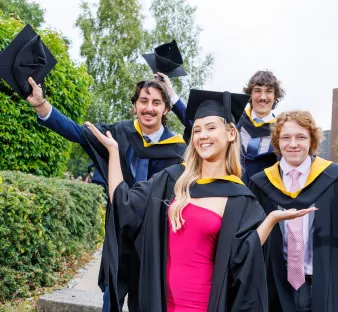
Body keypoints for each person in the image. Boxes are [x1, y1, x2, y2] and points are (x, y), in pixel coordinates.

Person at [86, 90, 315, 311]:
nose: (202, 135)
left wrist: (271, 220)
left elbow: (243, 257)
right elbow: (123, 205)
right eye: (196, 130)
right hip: (160, 303)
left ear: (231, 134)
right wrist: (114, 153)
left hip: (204, 305)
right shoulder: (172, 180)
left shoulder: (240, 197)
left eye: (211, 128)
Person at [26, 77, 187, 310]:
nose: (149, 108)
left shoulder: (179, 150)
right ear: (134, 106)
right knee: (111, 298)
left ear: (165, 109)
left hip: (155, 236)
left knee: (149, 300)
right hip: (119, 232)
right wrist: (42, 106)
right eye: (143, 101)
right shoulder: (119, 134)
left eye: (156, 102)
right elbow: (78, 133)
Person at [250, 110, 338, 312]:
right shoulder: (262, 184)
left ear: (312, 140)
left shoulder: (337, 178)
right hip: (276, 288)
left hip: (328, 286)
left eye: (301, 137)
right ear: (277, 141)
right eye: (286, 137)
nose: (293, 143)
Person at [237, 70, 285, 184]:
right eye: (257, 91)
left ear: (275, 96)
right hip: (235, 192)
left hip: (266, 194)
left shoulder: (281, 131)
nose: (263, 97)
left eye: (268, 91)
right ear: (250, 94)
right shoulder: (234, 123)